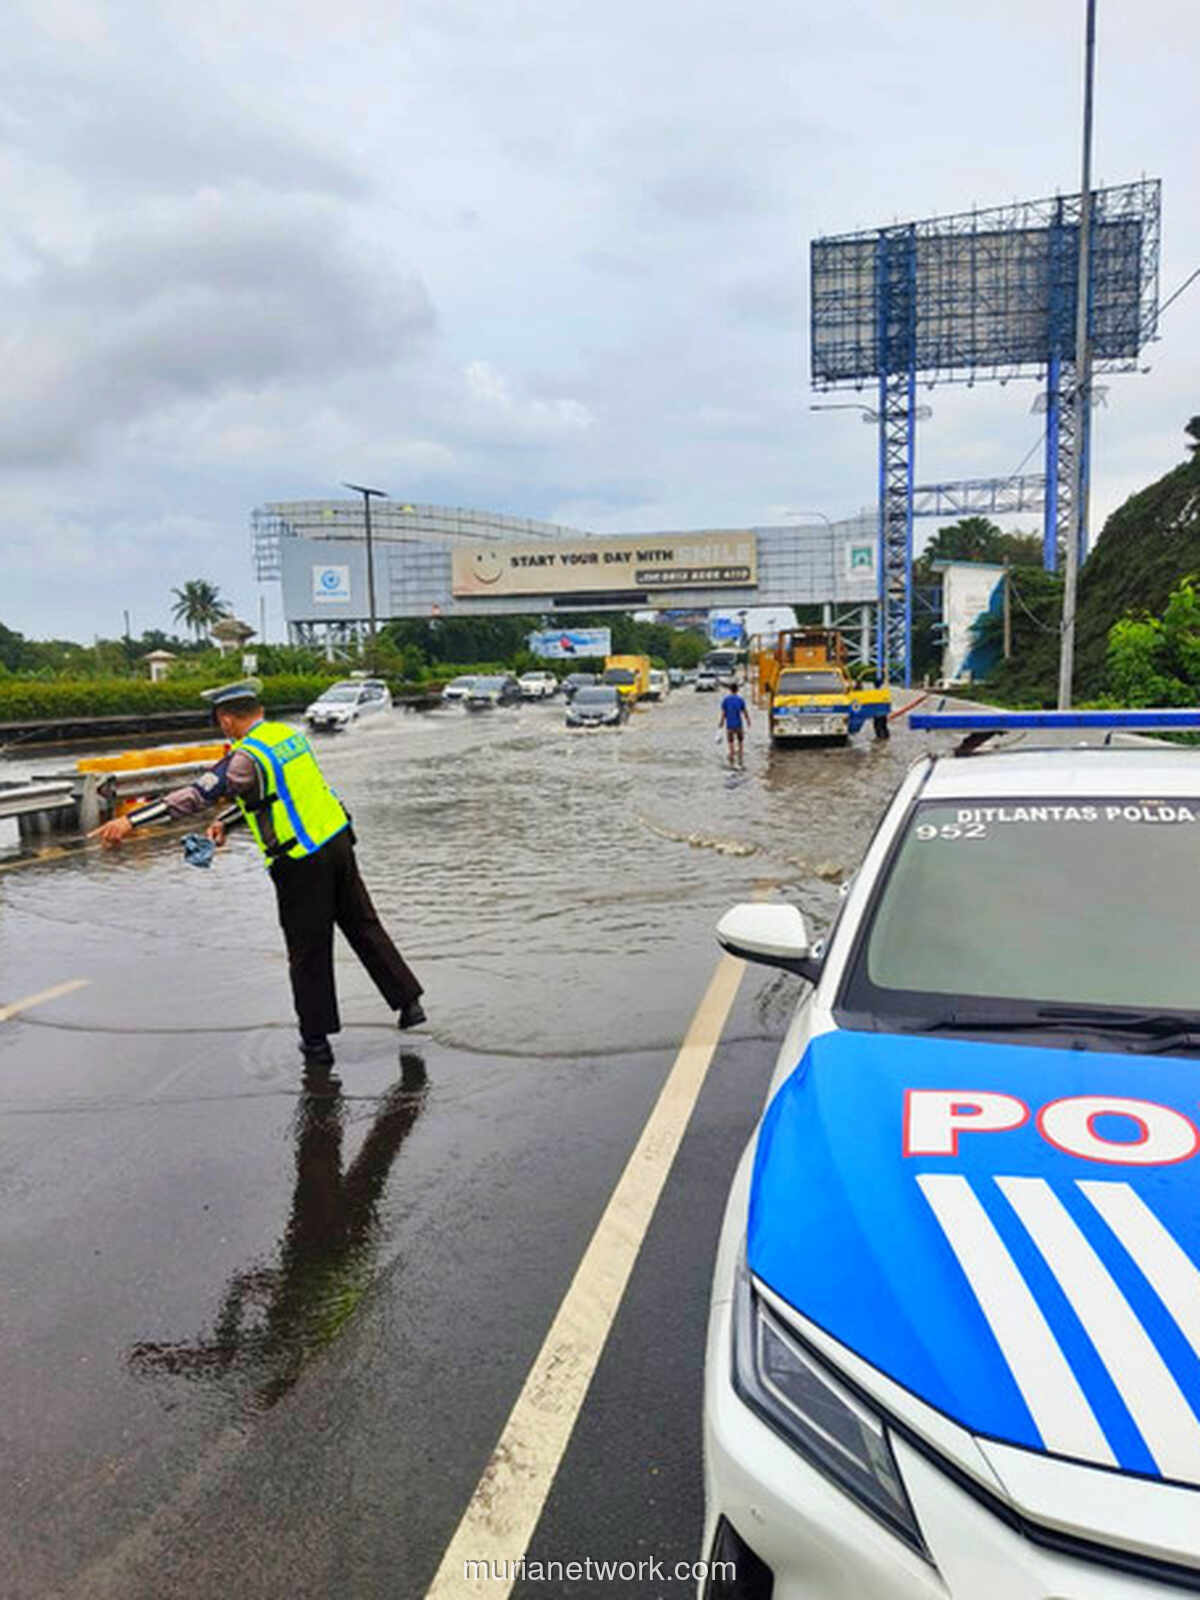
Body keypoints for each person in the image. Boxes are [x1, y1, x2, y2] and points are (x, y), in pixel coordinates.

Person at [91, 679, 425, 1067]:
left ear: (227, 719)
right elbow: (279, 792)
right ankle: (408, 1001)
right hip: (336, 839)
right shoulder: (288, 736)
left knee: (307, 951)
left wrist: (131, 821)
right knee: (363, 924)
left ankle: (316, 1043)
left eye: (221, 722)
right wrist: (229, 823)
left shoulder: (244, 757)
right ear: (260, 712)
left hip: (301, 858)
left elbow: (198, 794)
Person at [719, 681, 750, 767]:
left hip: (729, 725)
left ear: (730, 690)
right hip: (738, 724)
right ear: (737, 690)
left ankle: (732, 758)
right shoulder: (740, 700)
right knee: (740, 742)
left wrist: (721, 723)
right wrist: (748, 721)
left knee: (731, 743)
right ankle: (740, 757)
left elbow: (724, 713)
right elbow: (744, 712)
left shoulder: (726, 700)